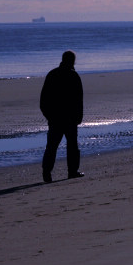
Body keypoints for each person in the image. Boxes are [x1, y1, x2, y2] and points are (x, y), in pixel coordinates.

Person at [40, 50, 83, 182]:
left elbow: (44, 100)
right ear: (72, 61)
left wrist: (49, 116)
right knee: (71, 146)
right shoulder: (73, 76)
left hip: (56, 118)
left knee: (52, 147)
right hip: (69, 118)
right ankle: (72, 171)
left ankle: (47, 173)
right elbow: (78, 100)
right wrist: (79, 117)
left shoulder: (53, 74)